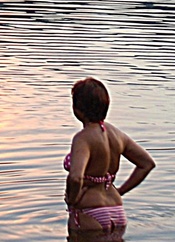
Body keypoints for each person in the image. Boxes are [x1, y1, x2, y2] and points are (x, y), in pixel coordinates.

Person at [65, 77, 155, 233]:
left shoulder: (83, 138)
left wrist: (72, 201)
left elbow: (75, 177)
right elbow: (146, 164)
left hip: (90, 211)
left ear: (77, 109)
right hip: (117, 209)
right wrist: (120, 191)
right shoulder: (116, 134)